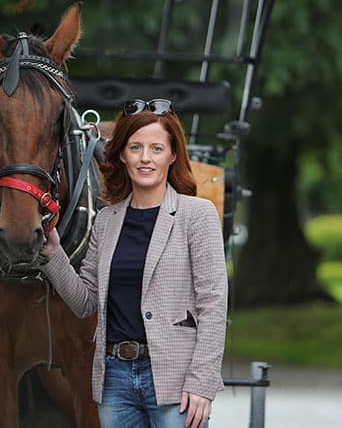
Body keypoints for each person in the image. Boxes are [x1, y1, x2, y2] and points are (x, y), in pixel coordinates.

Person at [39, 98, 228, 428]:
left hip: (177, 383)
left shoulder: (196, 216)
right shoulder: (107, 221)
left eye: (156, 148)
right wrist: (53, 255)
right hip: (116, 381)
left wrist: (202, 383)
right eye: (135, 147)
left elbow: (213, 306)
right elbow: (85, 303)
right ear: (122, 155)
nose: (145, 158)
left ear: (172, 155)